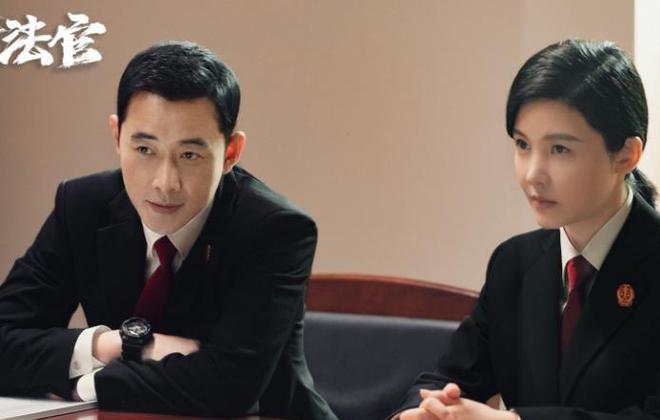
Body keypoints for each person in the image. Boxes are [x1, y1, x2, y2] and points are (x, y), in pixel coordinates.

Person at [0, 41, 337, 420]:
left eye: (189, 155)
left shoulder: (274, 229)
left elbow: (228, 388)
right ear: (117, 136)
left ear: (231, 152)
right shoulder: (82, 206)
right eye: (145, 150)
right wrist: (112, 345)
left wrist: (85, 383)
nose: (164, 183)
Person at [393, 39, 660, 420]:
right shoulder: (514, 263)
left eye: (559, 150)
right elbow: (447, 377)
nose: (533, 174)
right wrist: (421, 413)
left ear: (626, 154)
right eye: (522, 145)